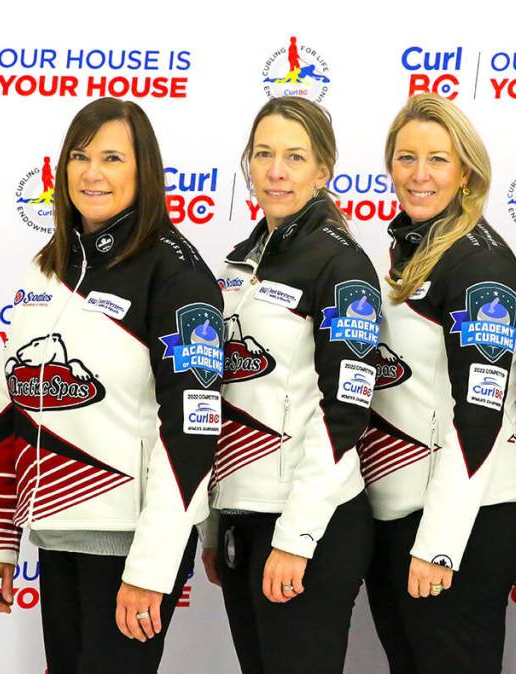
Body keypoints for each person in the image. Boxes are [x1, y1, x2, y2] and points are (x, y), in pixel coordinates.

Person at [0, 97, 223, 673]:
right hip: (57, 534)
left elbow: (192, 430)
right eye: (79, 157)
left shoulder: (177, 272)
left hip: (131, 543)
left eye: (112, 158)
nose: (91, 173)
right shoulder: (48, 265)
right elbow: (6, 408)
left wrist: (153, 567)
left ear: (145, 171)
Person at [199, 96, 379, 674]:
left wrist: (297, 536)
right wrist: (214, 523)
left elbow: (345, 415)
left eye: (295, 157)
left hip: (309, 523)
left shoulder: (342, 265)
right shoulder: (239, 262)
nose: (276, 171)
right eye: (264, 154)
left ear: (323, 171)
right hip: (243, 517)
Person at [360, 93, 516, 674]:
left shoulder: (479, 263)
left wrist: (439, 542)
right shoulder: (409, 249)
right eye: (406, 158)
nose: (419, 174)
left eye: (437, 158)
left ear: (466, 171)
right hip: (402, 511)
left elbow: (478, 417)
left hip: (465, 522)